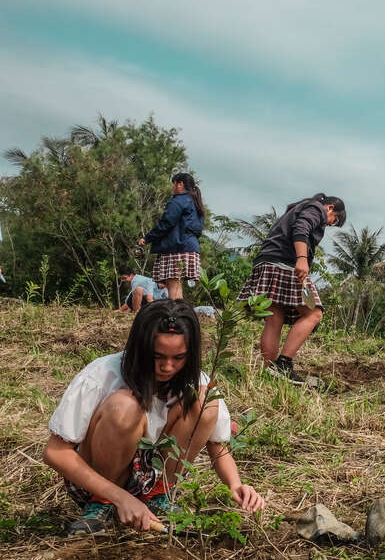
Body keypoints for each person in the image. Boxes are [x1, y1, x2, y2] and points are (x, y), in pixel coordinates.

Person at [42, 300, 265, 536]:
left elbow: (216, 444)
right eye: (157, 356)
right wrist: (118, 496)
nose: (167, 367)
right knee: (125, 406)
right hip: (100, 480)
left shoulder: (197, 380)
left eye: (178, 358)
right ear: (141, 348)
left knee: (205, 401)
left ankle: (158, 494)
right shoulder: (102, 375)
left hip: (151, 476)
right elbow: (55, 452)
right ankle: (102, 503)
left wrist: (236, 484)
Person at [237, 193, 346, 384]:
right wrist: (302, 259)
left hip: (267, 262)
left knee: (274, 319)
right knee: (314, 314)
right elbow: (301, 228)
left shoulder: (300, 207)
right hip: (285, 264)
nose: (329, 224)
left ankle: (270, 372)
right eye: (333, 220)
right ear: (330, 208)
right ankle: (283, 363)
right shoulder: (315, 209)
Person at [139, 172, 205, 301]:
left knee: (173, 289)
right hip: (190, 248)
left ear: (180, 184)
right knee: (177, 288)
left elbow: (166, 224)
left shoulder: (179, 201)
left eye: (173, 184)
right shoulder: (196, 203)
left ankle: (174, 320)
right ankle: (180, 317)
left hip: (176, 248)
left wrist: (147, 238)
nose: (172, 187)